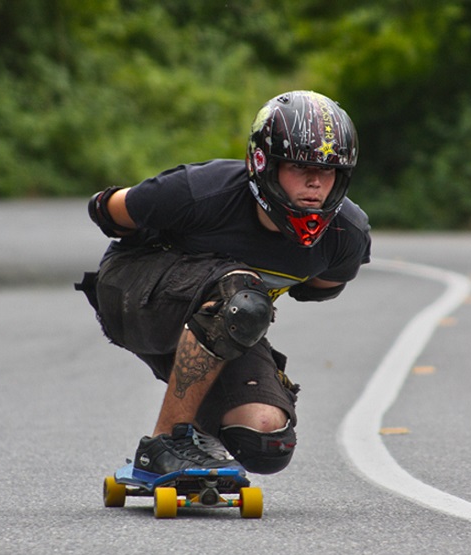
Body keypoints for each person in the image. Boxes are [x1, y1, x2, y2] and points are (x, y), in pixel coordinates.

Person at [77, 90, 371, 476]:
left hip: (219, 323)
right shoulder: (198, 190)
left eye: (328, 170)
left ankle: (199, 438)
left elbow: (321, 288)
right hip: (133, 294)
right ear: (264, 164)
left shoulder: (345, 237)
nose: (316, 184)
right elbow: (104, 208)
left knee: (266, 439)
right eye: (300, 168)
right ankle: (167, 444)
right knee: (241, 294)